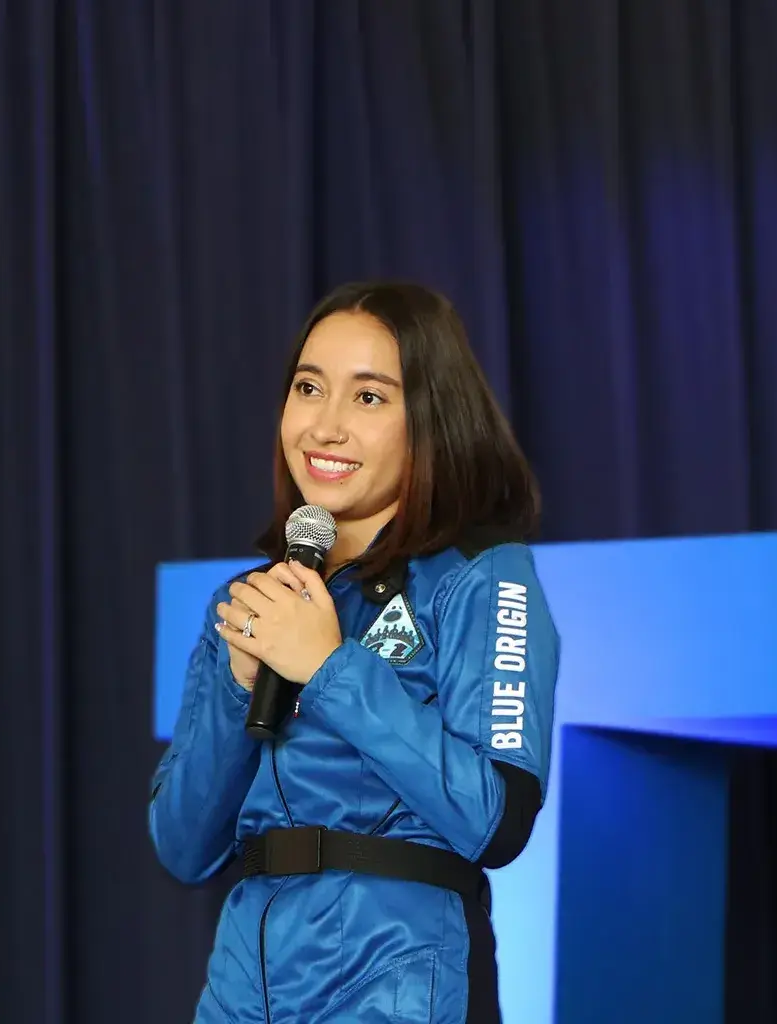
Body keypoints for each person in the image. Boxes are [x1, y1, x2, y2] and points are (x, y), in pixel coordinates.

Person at [148, 281, 561, 1023]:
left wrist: (330, 669)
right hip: (242, 991)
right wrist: (237, 688)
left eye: (368, 398)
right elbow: (183, 846)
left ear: (429, 419)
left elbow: (497, 819)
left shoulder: (482, 575)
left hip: (397, 982)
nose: (326, 426)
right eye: (309, 388)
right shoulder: (251, 599)